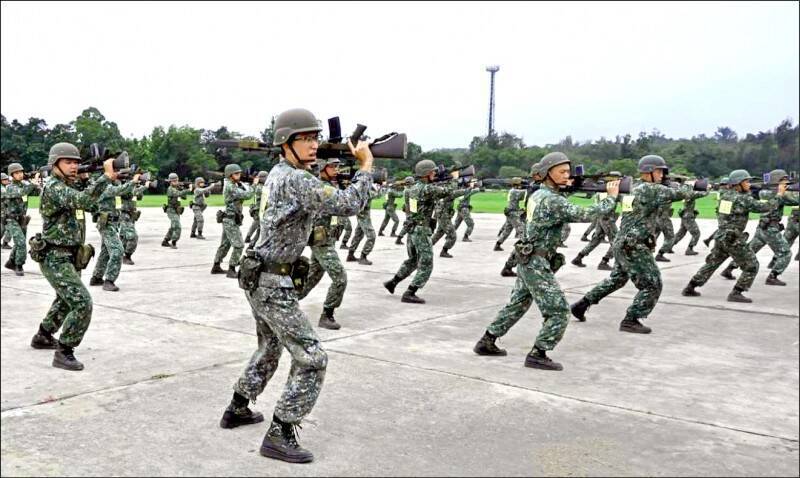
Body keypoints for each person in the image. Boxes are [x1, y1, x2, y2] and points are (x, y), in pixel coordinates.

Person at [219, 108, 373, 464]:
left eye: (315, 138)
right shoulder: (296, 179)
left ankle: (238, 407)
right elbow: (349, 203)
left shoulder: (283, 173)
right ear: (286, 143)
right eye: (305, 138)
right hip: (271, 281)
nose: (313, 144)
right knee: (312, 357)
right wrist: (365, 166)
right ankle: (280, 433)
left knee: (270, 347)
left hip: (260, 274)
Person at [474, 152, 619, 370]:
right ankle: (538, 353)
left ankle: (487, 341)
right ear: (546, 174)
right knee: (559, 311)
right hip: (536, 262)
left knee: (518, 304)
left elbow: (559, 206)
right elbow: (585, 213)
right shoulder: (552, 200)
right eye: (561, 172)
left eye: (567, 172)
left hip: (529, 258)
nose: (566, 175)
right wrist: (611, 197)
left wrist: (569, 187)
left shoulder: (540, 194)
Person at [570, 155, 692, 333]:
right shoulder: (651, 189)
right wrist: (687, 185)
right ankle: (631, 319)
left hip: (623, 242)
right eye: (659, 171)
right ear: (648, 172)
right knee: (652, 284)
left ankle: (581, 304)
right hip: (634, 245)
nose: (662, 175)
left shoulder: (634, 188)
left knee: (616, 280)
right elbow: (682, 194)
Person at [29, 142, 113, 371]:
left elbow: (87, 199)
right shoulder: (54, 187)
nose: (74, 166)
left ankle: (43, 335)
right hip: (54, 256)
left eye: (76, 162)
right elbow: (84, 201)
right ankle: (64, 351)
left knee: (65, 301)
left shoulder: (69, 185)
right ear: (55, 164)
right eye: (68, 162)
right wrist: (105, 176)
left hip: (70, 256)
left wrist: (95, 174)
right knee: (82, 302)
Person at [697, 170, 795, 294]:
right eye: (747, 181)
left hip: (722, 236)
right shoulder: (743, 199)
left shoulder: (725, 196)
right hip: (733, 238)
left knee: (712, 263)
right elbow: (763, 207)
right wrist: (779, 194)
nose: (749, 184)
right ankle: (737, 292)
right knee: (752, 265)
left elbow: (724, 215)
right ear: (738, 183)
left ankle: (691, 286)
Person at [383, 160, 457, 303]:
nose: (435, 174)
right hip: (421, 230)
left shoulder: (410, 189)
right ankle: (410, 292)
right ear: (427, 173)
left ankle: (393, 282)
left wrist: (442, 179)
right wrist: (453, 178)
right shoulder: (426, 189)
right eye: (433, 172)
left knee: (414, 260)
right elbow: (449, 191)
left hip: (412, 229)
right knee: (427, 263)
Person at [297, 157, 350, 330]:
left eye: (337, 166)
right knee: (340, 278)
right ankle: (327, 314)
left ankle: (285, 303)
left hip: (326, 239)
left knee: (312, 277)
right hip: (321, 242)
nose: (337, 169)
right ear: (322, 168)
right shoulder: (320, 187)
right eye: (332, 166)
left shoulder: (329, 186)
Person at [88, 164, 141, 291]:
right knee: (117, 251)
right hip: (106, 224)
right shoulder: (104, 187)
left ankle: (96, 277)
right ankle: (109, 280)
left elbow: (124, 191)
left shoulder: (107, 185)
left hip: (111, 223)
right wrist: (133, 181)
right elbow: (120, 190)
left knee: (106, 252)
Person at [211, 164, 255, 277]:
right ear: (230, 175)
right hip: (230, 219)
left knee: (225, 244)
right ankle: (232, 268)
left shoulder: (234, 184)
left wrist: (242, 183)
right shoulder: (230, 186)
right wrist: (253, 185)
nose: (239, 175)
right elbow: (247, 195)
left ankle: (216, 265)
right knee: (239, 245)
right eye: (236, 173)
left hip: (230, 219)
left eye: (239, 173)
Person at [3, 163, 41, 276]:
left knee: (20, 242)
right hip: (11, 220)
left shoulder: (24, 184)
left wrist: (36, 184)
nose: (20, 174)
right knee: (20, 243)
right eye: (17, 173)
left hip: (22, 219)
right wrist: (32, 184)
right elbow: (22, 193)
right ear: (12, 175)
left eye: (21, 172)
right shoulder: (10, 187)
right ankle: (18, 265)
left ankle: (11, 261)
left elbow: (36, 193)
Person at [346, 181, 381, 265]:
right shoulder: (364, 191)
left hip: (362, 215)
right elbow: (376, 195)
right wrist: (380, 187)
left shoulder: (362, 189)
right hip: (363, 217)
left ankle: (350, 255)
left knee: (358, 235)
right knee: (371, 236)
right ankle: (363, 256)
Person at [431, 180, 469, 257]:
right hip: (444, 216)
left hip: (442, 215)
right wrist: (470, 188)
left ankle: (424, 248)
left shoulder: (442, 192)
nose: (455, 187)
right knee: (452, 235)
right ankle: (444, 251)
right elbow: (458, 193)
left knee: (439, 234)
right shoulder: (448, 193)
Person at [667, 186, 708, 255]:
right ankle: (689, 249)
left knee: (681, 233)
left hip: (685, 216)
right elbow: (702, 194)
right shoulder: (689, 195)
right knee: (696, 233)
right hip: (688, 217)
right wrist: (707, 189)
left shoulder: (684, 195)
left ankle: (668, 246)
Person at [118, 176, 148, 265]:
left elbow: (138, 197)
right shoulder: (124, 186)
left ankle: (119, 254)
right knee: (133, 236)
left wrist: (139, 187)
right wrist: (144, 187)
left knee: (123, 236)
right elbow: (129, 194)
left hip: (132, 215)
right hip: (124, 214)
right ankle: (127, 255)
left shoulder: (133, 186)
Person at [493, 177, 526, 251]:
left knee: (507, 230)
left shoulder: (513, 190)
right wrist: (530, 188)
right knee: (521, 229)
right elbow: (524, 193)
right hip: (513, 212)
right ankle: (522, 246)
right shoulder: (514, 191)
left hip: (511, 212)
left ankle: (498, 244)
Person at [162, 173, 191, 248]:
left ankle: (165, 241)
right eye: (174, 181)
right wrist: (188, 190)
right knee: (177, 226)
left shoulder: (177, 188)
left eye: (177, 181)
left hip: (177, 210)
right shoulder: (170, 189)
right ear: (170, 182)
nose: (176, 182)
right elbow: (178, 194)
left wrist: (183, 188)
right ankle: (174, 242)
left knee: (173, 226)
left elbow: (184, 197)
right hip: (171, 210)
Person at [244, 171, 268, 246]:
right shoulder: (260, 187)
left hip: (260, 209)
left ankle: (252, 241)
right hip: (258, 209)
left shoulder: (260, 186)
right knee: (257, 224)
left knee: (259, 227)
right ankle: (249, 237)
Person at [394, 176, 416, 245]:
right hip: (410, 208)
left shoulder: (406, 189)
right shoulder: (409, 190)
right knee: (408, 224)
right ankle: (399, 238)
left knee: (410, 224)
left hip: (408, 207)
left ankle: (400, 238)